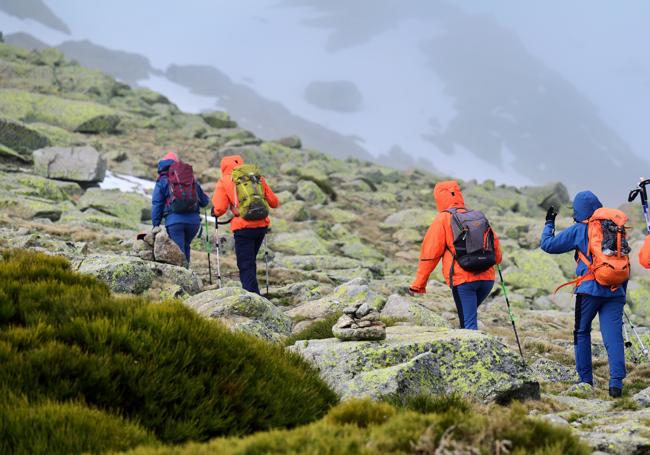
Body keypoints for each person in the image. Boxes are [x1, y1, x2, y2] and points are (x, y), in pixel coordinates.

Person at [540, 191, 626, 398]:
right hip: (616, 289)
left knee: (582, 332)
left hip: (589, 290)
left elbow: (548, 245)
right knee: (613, 336)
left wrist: (549, 223)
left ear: (578, 211)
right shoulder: (615, 228)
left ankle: (585, 381)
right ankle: (616, 385)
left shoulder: (579, 230)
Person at [409, 180, 502, 330]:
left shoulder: (443, 219)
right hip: (487, 280)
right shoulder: (477, 216)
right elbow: (495, 246)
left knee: (468, 325)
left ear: (439, 198)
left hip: (464, 281)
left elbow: (430, 254)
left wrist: (419, 284)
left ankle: (474, 351)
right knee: (467, 319)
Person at [211, 155, 279, 294]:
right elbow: (274, 202)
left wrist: (214, 212)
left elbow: (219, 208)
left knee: (245, 264)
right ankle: (254, 291)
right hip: (261, 225)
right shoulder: (256, 177)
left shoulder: (225, 180)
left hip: (243, 228)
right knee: (250, 260)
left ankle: (253, 297)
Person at [151, 152, 209, 263]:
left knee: (178, 250)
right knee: (186, 246)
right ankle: (186, 273)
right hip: (193, 222)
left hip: (175, 222)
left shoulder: (162, 180)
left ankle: (182, 276)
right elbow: (204, 202)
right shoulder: (188, 177)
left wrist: (155, 224)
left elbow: (157, 203)